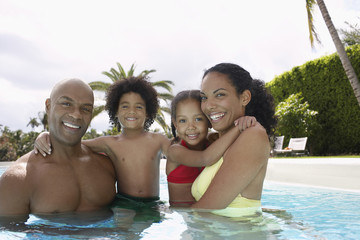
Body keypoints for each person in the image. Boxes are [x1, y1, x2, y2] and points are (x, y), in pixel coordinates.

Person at [34, 76, 170, 211]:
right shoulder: (110, 143)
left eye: (139, 107)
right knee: (125, 230)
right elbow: (75, 143)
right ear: (115, 112)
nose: (132, 111)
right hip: (124, 202)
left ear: (148, 112)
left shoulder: (158, 140)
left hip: (153, 202)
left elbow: (178, 151)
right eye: (125, 106)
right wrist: (46, 135)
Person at [0, 78, 117, 219]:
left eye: (85, 108)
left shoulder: (107, 166)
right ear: (48, 106)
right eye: (66, 104)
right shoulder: (19, 180)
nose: (76, 115)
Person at [191, 63, 277, 217]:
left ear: (244, 98)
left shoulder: (253, 135)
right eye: (204, 97)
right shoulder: (220, 141)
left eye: (219, 95)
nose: (209, 106)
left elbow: (206, 208)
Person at [166, 90, 256, 207]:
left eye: (198, 119)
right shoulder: (175, 152)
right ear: (175, 124)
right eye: (183, 121)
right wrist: (239, 127)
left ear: (209, 121)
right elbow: (205, 158)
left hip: (206, 213)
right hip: (181, 217)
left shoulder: (214, 144)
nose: (191, 127)